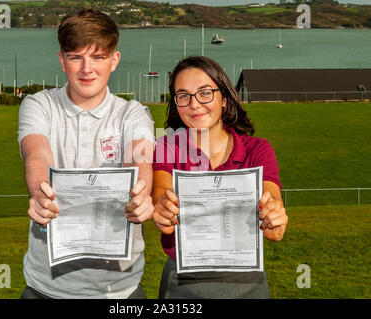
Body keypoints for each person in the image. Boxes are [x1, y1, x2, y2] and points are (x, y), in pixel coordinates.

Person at [17, 8, 155, 299]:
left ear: (114, 60)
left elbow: (139, 158)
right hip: (46, 288)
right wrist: (40, 192)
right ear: (61, 60)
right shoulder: (38, 105)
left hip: (120, 291)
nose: (86, 68)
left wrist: (141, 193)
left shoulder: (133, 113)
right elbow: (36, 154)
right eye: (76, 57)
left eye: (98, 57)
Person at [152, 56, 288, 299]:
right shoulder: (165, 147)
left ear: (224, 98)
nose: (194, 104)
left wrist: (274, 214)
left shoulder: (258, 149)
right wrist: (162, 209)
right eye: (183, 95)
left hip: (247, 280)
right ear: (176, 103)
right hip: (183, 282)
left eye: (204, 93)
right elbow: (161, 189)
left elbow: (271, 195)